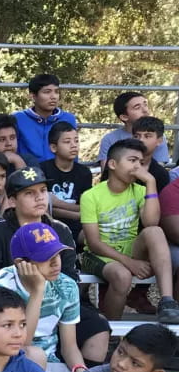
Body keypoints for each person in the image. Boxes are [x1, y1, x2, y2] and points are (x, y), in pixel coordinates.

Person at [0, 167, 111, 367]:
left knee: (98, 327)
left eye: (43, 191)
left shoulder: (60, 230)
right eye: (29, 193)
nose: (39, 198)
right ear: (12, 201)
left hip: (55, 299)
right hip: (9, 304)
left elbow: (70, 278)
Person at [0, 223, 85, 372]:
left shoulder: (67, 286)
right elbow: (20, 343)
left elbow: (69, 346)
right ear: (21, 263)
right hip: (6, 364)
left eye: (58, 254)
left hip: (50, 368)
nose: (56, 263)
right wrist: (37, 291)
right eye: (46, 257)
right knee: (34, 355)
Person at [80, 138, 179, 324]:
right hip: (98, 253)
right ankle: (110, 332)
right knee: (122, 275)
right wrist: (129, 263)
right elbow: (93, 243)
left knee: (155, 232)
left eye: (141, 163)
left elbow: (151, 222)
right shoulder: (91, 196)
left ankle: (167, 302)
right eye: (132, 161)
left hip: (130, 248)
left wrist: (150, 182)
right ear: (112, 164)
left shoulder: (141, 191)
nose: (137, 167)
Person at [39, 122, 92, 242]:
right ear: (53, 147)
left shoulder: (84, 173)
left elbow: (87, 207)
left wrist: (57, 203)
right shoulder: (42, 170)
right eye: (67, 142)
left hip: (79, 227)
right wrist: (76, 213)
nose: (74, 145)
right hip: (49, 225)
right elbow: (45, 208)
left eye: (76, 140)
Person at [13, 74, 77, 163]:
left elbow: (73, 153)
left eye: (56, 92)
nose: (53, 96)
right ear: (33, 96)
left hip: (60, 173)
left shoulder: (68, 119)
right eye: (47, 92)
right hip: (29, 173)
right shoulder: (18, 119)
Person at [98, 92, 170, 165]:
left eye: (145, 105)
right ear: (124, 117)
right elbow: (106, 172)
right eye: (137, 107)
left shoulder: (156, 136)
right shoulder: (109, 139)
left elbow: (159, 170)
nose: (145, 110)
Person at [131, 116, 171, 191]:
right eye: (136, 136)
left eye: (147, 136)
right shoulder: (118, 163)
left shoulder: (161, 174)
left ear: (159, 141)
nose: (141, 140)